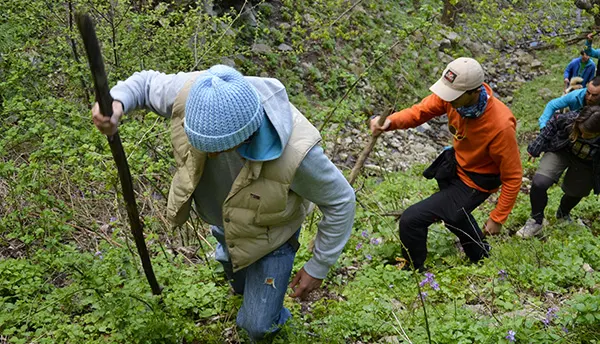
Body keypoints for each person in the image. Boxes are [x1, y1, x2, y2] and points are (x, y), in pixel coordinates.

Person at [91, 65, 356, 340]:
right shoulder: (197, 94)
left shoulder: (297, 154)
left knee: (256, 325)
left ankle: (272, 322)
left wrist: (318, 266)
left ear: (245, 136)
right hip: (225, 226)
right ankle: (249, 291)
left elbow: (341, 200)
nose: (210, 156)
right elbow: (145, 85)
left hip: (272, 236)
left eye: (217, 149)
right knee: (240, 287)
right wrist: (116, 103)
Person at [370, 57, 522, 271]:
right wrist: (389, 122)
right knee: (454, 217)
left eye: (453, 96)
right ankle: (480, 254)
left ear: (473, 92)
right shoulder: (453, 97)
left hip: (477, 182)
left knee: (411, 219)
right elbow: (419, 112)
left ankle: (411, 271)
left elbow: (513, 176)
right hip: (456, 166)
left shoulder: (500, 125)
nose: (446, 99)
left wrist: (498, 217)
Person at [516, 105, 600, 238]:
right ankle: (536, 221)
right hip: (562, 149)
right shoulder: (571, 119)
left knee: (577, 191)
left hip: (587, 161)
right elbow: (553, 123)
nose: (582, 135)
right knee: (539, 182)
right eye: (580, 130)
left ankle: (563, 214)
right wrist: (537, 146)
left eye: (588, 135)